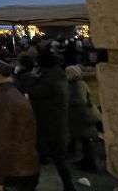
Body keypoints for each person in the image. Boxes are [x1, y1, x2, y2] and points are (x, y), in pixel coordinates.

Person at [0, 58, 40, 191]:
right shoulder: (8, 94)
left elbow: (2, 142)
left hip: (13, 171)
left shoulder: (3, 100)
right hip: (23, 166)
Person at [29, 52, 75, 191]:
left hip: (50, 126)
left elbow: (33, 93)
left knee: (53, 160)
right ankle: (69, 187)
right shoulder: (58, 76)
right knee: (60, 160)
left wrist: (33, 79)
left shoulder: (49, 82)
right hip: (58, 124)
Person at [65, 65, 99, 172]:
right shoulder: (78, 83)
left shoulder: (77, 84)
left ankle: (90, 164)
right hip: (80, 116)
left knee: (86, 139)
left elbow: (80, 100)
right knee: (84, 140)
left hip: (82, 116)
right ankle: (86, 160)